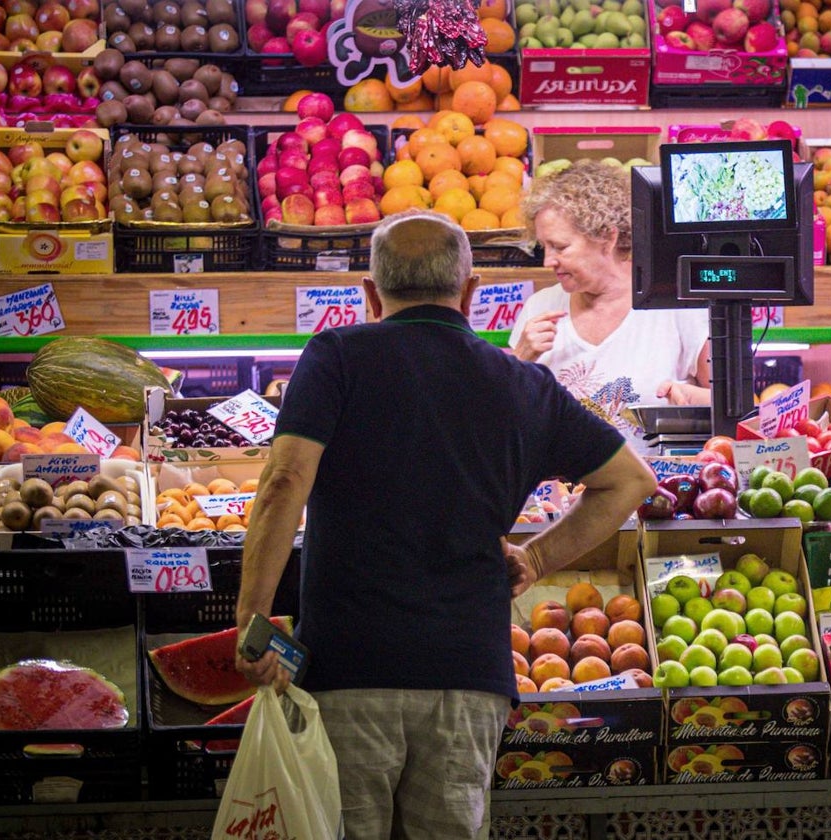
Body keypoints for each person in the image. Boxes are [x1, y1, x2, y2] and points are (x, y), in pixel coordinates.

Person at [234, 209, 657, 839]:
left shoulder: (337, 355)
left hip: (350, 668)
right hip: (469, 676)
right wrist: (537, 559)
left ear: (370, 295)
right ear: (471, 293)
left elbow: (283, 483)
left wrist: (253, 618)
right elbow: (630, 482)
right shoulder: (523, 383)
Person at [509, 160, 712, 435]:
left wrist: (692, 401)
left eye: (560, 247)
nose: (548, 261)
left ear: (607, 237)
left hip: (657, 477)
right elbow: (506, 415)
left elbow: (733, 410)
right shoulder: (540, 307)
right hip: (559, 478)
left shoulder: (676, 307)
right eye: (543, 247)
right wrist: (520, 359)